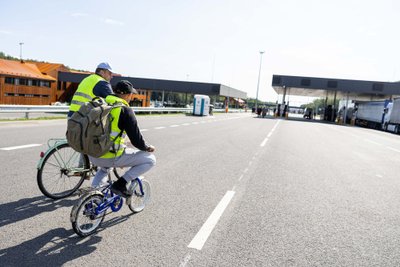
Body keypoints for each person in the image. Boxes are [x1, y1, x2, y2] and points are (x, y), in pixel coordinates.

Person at [89, 80, 156, 197]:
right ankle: (120, 184)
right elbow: (137, 141)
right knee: (150, 159)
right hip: (110, 156)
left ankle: (93, 197)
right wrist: (147, 147)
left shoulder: (101, 102)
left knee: (104, 169)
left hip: (92, 153)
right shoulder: (125, 110)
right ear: (127, 95)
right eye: (131, 95)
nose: (131, 97)